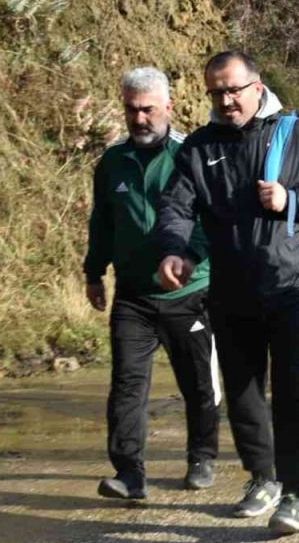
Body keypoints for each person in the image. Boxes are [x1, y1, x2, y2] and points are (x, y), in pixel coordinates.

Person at [155, 51, 299, 536]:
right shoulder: (198, 148)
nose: (226, 100)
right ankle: (260, 477)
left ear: (257, 87)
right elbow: (177, 206)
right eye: (216, 92)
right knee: (244, 392)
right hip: (231, 288)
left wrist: (293, 200)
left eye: (234, 90)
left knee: (294, 389)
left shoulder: (297, 134)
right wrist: (174, 250)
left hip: (292, 286)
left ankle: (293, 493)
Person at [84, 67, 220, 502]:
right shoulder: (112, 162)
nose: (139, 119)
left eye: (147, 110)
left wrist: (186, 257)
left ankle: (202, 456)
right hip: (133, 296)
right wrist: (93, 271)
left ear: (169, 108)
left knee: (198, 382)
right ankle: (129, 473)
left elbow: (209, 221)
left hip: (191, 293)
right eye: (130, 110)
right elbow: (102, 224)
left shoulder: (191, 155)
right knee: (126, 382)